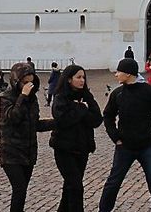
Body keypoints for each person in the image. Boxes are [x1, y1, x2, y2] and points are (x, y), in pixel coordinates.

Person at [98, 58, 151, 212]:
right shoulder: (118, 93)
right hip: (124, 147)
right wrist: (115, 137)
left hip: (146, 146)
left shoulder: (149, 92)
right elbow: (108, 116)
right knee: (113, 182)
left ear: (128, 74)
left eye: (119, 71)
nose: (116, 75)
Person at [0, 62, 55, 212]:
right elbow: (13, 118)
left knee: (22, 191)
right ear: (16, 81)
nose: (29, 86)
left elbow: (34, 124)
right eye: (25, 82)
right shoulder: (6, 98)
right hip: (11, 152)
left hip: (28, 152)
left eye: (31, 82)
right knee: (19, 188)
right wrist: (22, 96)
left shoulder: (32, 99)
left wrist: (57, 123)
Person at [49, 64, 102, 212]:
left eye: (83, 77)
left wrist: (79, 110)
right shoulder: (60, 97)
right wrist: (81, 109)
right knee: (76, 187)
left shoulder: (86, 95)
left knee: (70, 187)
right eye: (78, 77)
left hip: (82, 148)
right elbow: (62, 120)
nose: (82, 80)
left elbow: (97, 119)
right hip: (64, 149)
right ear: (68, 79)